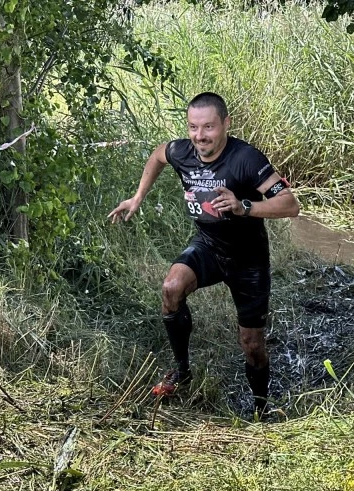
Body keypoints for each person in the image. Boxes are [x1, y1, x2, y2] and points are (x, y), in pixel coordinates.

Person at [108, 92, 300, 416]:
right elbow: (158, 156)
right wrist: (138, 197)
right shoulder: (182, 151)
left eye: (208, 127)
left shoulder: (246, 158)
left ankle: (261, 407)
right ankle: (182, 372)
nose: (200, 136)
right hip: (209, 246)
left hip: (248, 260)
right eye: (193, 128)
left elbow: (290, 205)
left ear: (225, 124)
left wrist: (245, 206)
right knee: (171, 288)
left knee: (252, 346)